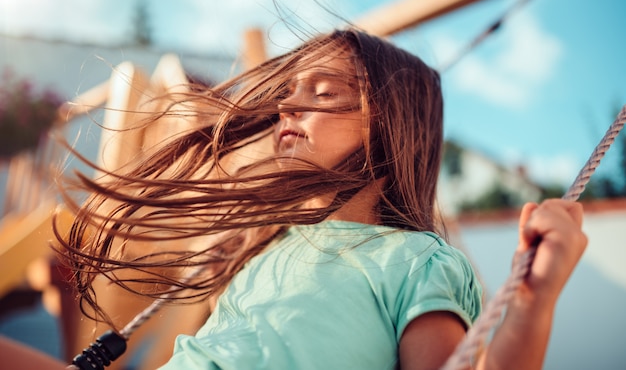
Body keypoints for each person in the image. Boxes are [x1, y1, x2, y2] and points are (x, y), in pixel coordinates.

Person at [0, 29, 587, 370]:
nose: (288, 107)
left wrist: (533, 301)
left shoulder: (413, 261)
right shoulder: (263, 253)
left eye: (324, 92)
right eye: (289, 93)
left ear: (390, 128)